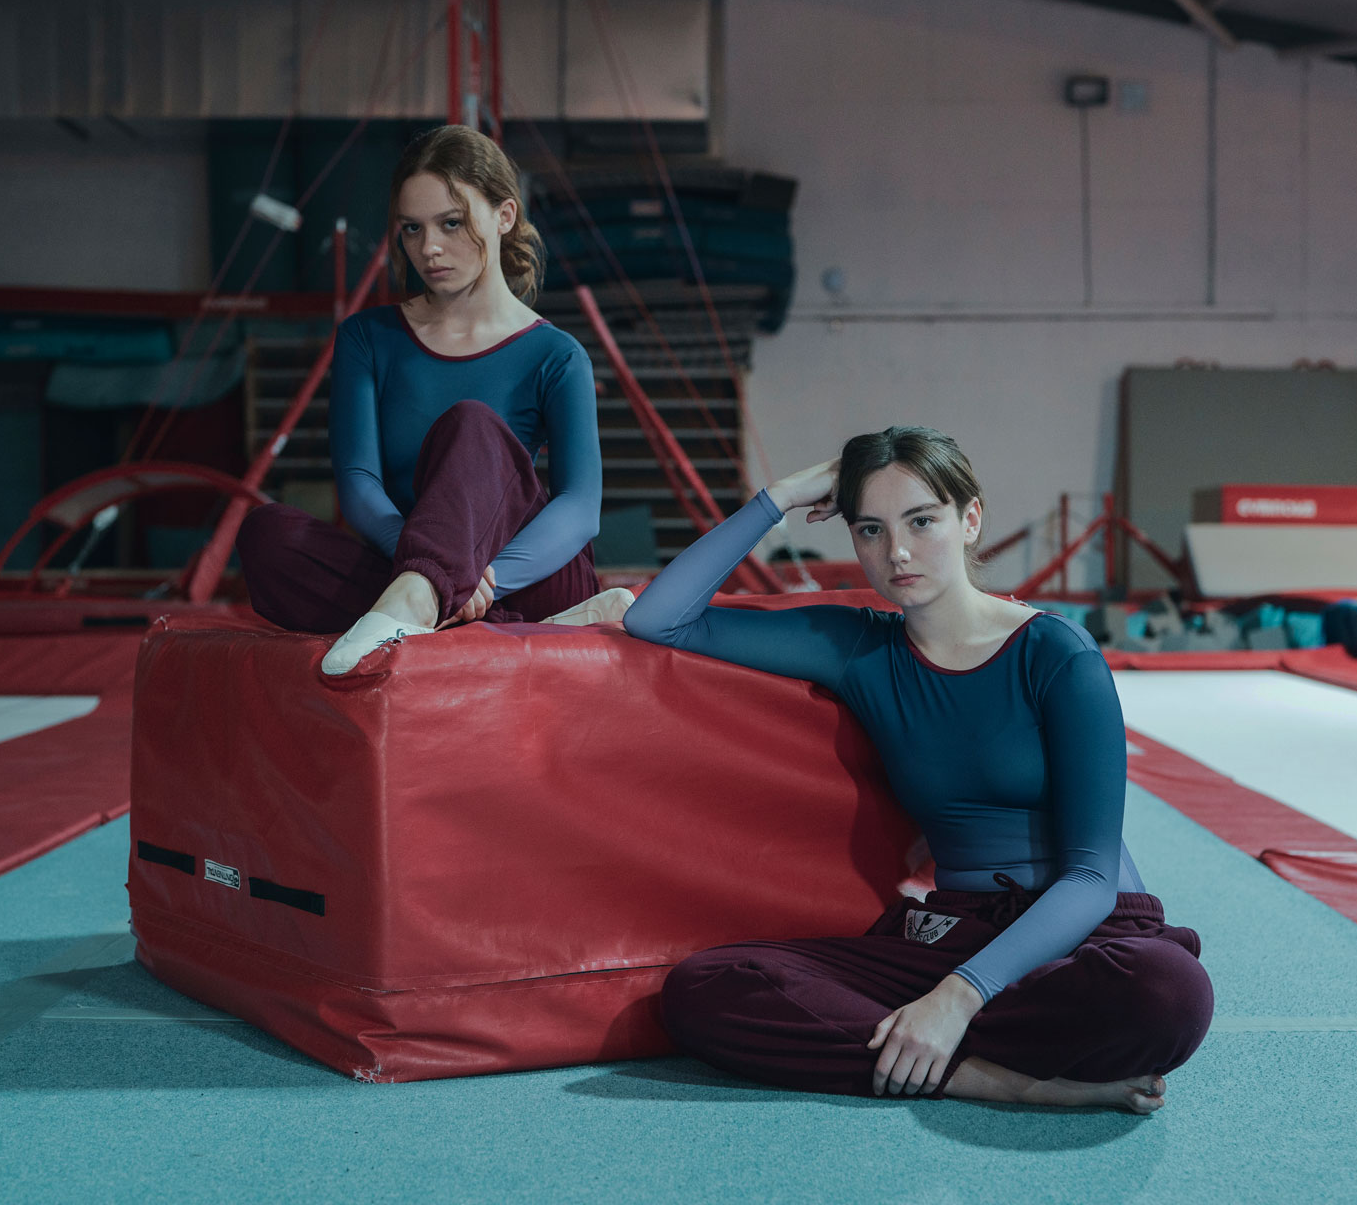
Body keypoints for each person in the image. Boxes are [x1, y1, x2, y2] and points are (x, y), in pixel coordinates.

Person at [622, 427, 1213, 1112]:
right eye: (869, 529)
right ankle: (987, 1077)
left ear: (970, 520)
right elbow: (660, 622)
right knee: (707, 986)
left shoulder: (1056, 653)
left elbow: (1089, 876)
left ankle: (928, 1038)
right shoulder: (857, 649)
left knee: (1167, 995)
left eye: (921, 521)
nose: (896, 551)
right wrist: (779, 497)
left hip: (1082, 934)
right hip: (955, 931)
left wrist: (960, 996)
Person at [236, 126, 630, 673]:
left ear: (504, 216)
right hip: (409, 569)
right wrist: (430, 571)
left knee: (471, 423)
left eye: (451, 223)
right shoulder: (366, 338)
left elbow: (581, 510)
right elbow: (358, 483)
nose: (430, 249)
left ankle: (422, 606)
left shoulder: (556, 354)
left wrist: (475, 578)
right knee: (266, 535)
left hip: (530, 577)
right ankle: (451, 615)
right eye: (412, 229)